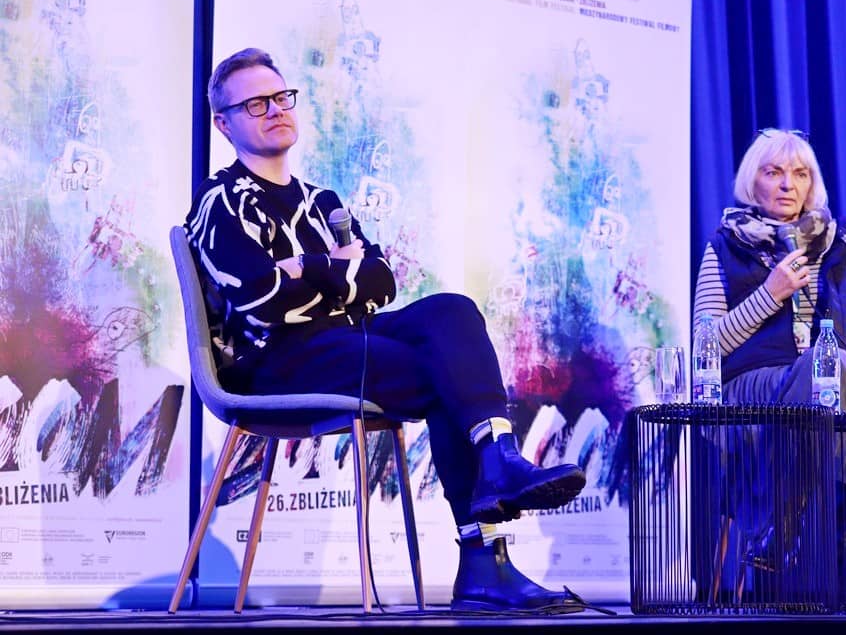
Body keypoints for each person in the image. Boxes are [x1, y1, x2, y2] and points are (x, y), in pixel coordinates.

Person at [184, 48, 586, 613]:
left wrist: (304, 269)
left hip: (346, 340)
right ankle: (485, 560)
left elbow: (381, 282)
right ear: (224, 124)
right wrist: (333, 269)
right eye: (255, 103)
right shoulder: (221, 200)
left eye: (281, 97)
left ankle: (498, 459)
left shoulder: (322, 202)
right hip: (274, 362)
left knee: (451, 311)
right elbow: (261, 301)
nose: (275, 109)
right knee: (444, 375)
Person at [693, 128, 846, 599]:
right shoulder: (725, 246)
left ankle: (782, 530)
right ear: (753, 182)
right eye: (774, 172)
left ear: (811, 183)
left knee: (831, 374)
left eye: (800, 174)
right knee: (830, 381)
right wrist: (770, 294)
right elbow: (706, 345)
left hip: (834, 389)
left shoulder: (843, 246)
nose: (788, 184)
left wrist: (834, 361)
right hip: (754, 389)